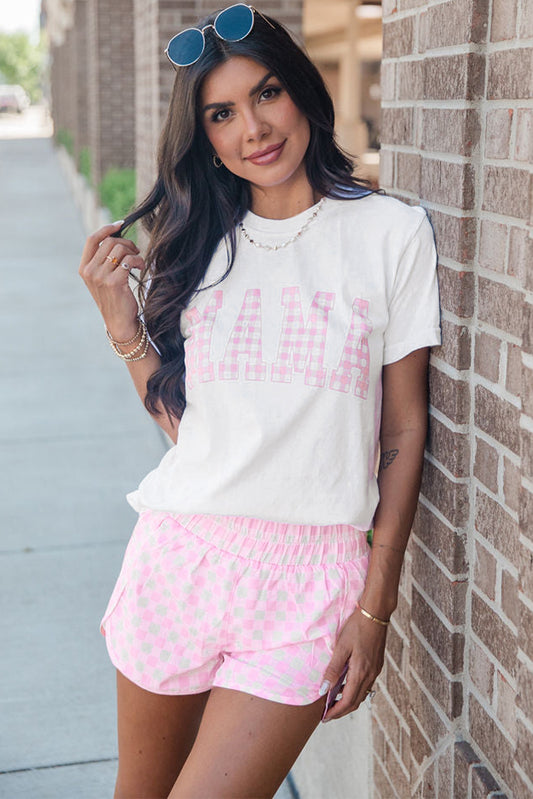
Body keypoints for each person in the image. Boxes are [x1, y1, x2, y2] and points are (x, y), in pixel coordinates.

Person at [78, 5, 441, 798]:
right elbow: (194, 435)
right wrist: (124, 330)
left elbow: (404, 430)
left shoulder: (389, 233)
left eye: (267, 93)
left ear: (303, 92)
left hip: (310, 580)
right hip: (180, 559)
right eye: (222, 113)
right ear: (203, 135)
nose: (254, 128)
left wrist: (374, 608)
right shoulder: (196, 243)